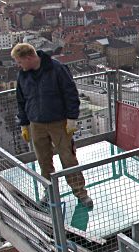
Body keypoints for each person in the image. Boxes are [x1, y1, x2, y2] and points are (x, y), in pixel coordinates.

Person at [11, 43, 93, 209]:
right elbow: (21, 100)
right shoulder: (23, 75)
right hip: (36, 123)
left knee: (68, 158)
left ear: (29, 58)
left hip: (59, 122)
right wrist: (24, 124)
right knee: (43, 160)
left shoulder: (56, 69)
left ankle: (80, 192)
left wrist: (72, 118)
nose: (18, 65)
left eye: (19, 62)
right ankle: (48, 192)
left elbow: (70, 93)